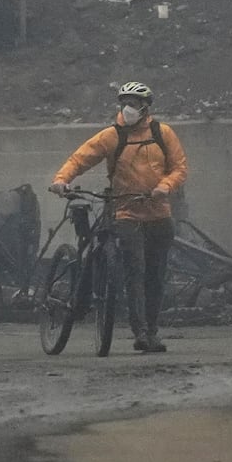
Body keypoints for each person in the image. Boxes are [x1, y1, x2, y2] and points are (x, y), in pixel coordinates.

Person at [49, 82, 189, 352]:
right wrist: (61, 180)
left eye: (134, 103)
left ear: (146, 107)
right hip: (126, 211)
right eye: (124, 102)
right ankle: (141, 334)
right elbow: (80, 158)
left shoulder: (164, 133)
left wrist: (165, 187)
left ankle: (152, 329)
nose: (128, 108)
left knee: (156, 275)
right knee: (135, 271)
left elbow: (179, 168)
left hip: (159, 213)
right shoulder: (112, 136)